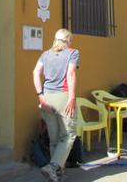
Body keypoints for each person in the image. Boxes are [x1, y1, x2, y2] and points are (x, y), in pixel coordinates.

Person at [33, 29, 79, 182]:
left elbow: (35, 73)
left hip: (47, 98)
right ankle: (53, 167)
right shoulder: (72, 53)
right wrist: (72, 97)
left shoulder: (45, 54)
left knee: (54, 139)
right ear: (68, 41)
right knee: (68, 136)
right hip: (63, 97)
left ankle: (57, 175)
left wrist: (40, 96)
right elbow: (71, 74)